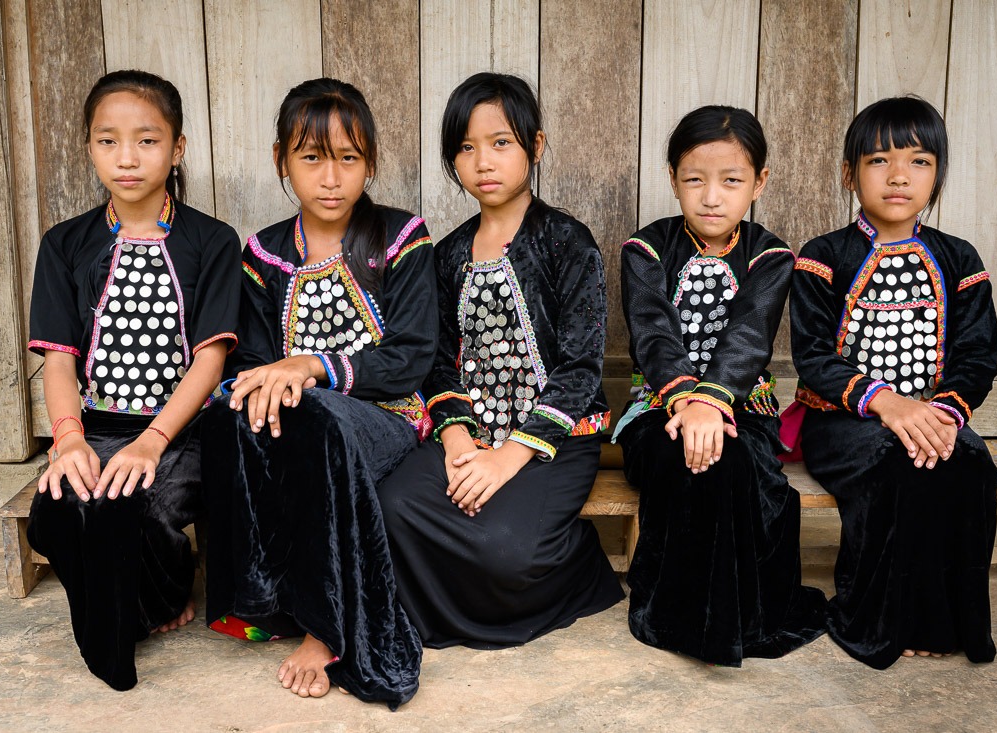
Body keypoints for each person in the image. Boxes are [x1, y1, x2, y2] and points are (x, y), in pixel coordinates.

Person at [200, 78, 435, 709]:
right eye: (311, 158)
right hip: (297, 410)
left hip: (382, 413)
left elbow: (411, 357)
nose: (331, 179)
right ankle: (255, 600)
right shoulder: (265, 254)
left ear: (370, 163)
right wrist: (260, 388)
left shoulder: (400, 238)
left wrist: (310, 366)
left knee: (318, 418)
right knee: (226, 416)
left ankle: (324, 629)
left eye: (348, 159)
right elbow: (250, 359)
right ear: (282, 161)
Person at [378, 72, 624, 650]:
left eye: (500, 142)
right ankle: (431, 616)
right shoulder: (447, 255)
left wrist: (509, 458)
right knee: (392, 508)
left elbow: (581, 367)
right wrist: (460, 439)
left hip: (555, 437)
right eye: (465, 147)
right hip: (470, 431)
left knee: (506, 554)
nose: (482, 161)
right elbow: (437, 362)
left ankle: (581, 566)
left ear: (535, 147)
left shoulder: (569, 241)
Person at [26, 69, 240, 691]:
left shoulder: (211, 241)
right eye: (107, 141)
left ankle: (129, 629)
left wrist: (153, 441)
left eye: (146, 141)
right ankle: (130, 617)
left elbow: (210, 360)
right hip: (96, 425)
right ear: (89, 146)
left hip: (185, 432)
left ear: (176, 149)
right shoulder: (65, 244)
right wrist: (69, 440)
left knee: (132, 502)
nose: (126, 158)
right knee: (58, 508)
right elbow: (60, 359)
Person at [788, 96, 997, 669]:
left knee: (969, 466)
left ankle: (945, 620)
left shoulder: (959, 258)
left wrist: (944, 414)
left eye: (920, 161)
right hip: (842, 422)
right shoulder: (823, 256)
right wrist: (886, 404)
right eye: (879, 160)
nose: (899, 176)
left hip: (935, 415)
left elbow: (978, 354)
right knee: (898, 466)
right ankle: (881, 618)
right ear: (849, 173)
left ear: (938, 174)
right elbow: (812, 357)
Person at [613, 105, 826, 667]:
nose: (712, 197)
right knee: (684, 456)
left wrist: (712, 402)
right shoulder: (646, 249)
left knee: (728, 461)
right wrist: (686, 399)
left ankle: (730, 622)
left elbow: (749, 335)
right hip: (657, 407)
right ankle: (678, 616)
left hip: (742, 409)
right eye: (695, 180)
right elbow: (653, 333)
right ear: (672, 179)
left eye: (731, 181)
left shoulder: (772, 254)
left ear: (759, 182)